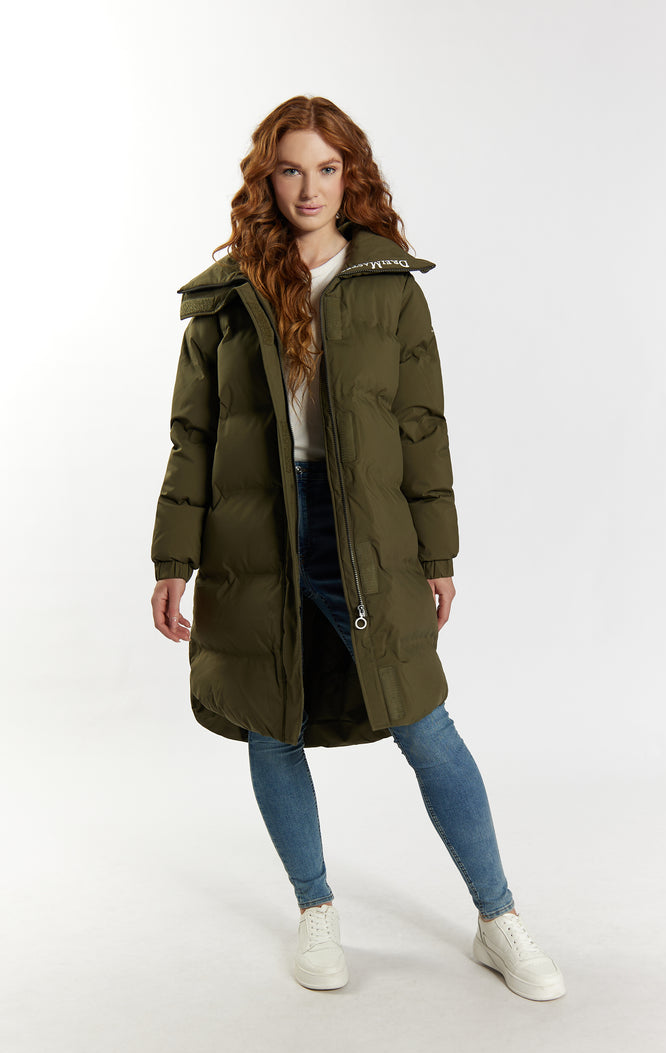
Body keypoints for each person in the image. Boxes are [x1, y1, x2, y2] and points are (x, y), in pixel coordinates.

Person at [150, 95, 565, 1001]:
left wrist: (437, 554)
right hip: (252, 534)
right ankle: (315, 908)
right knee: (271, 720)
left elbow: (422, 429)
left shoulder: (389, 287)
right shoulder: (227, 297)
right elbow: (192, 437)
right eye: (291, 169)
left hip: (366, 534)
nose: (310, 188)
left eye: (328, 169)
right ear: (267, 179)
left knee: (424, 720)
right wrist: (172, 562)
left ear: (352, 176)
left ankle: (497, 917)